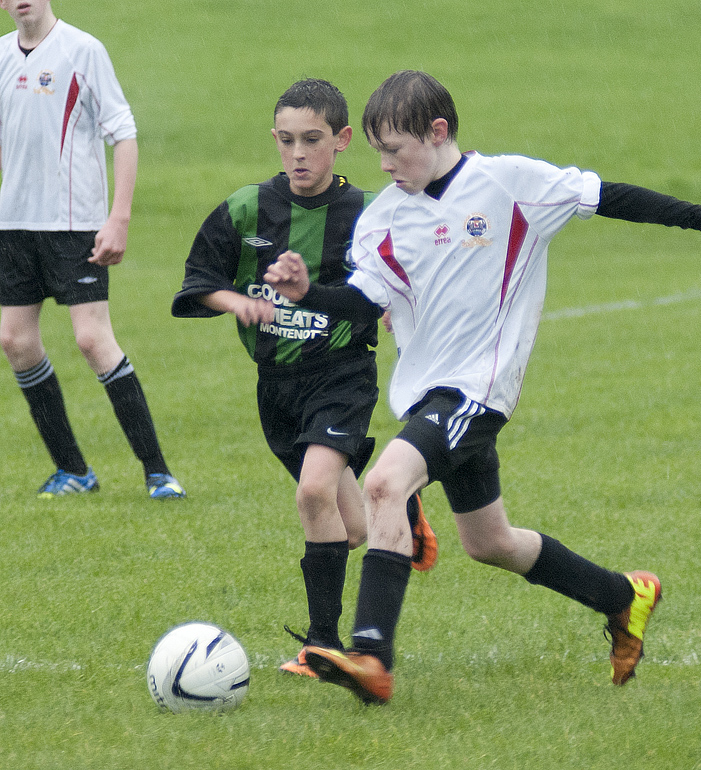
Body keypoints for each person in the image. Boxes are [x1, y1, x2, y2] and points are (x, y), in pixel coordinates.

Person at [264, 70, 701, 704]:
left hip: (479, 390)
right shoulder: (384, 218)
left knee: (385, 483)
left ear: (438, 132)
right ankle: (624, 596)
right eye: (378, 150)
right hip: (428, 395)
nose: (384, 164)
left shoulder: (511, 183)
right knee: (490, 543)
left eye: (396, 148)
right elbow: (363, 307)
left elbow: (610, 197)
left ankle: (371, 655)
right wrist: (311, 294)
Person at [171, 78, 437, 678]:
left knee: (314, 492)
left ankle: (321, 646)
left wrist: (396, 305)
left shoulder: (370, 212)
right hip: (277, 389)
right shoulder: (247, 209)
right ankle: (406, 509)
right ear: (274, 139)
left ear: (341, 141)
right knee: (349, 530)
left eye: (312, 140)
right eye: (287, 140)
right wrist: (235, 303)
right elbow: (197, 281)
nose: (298, 154)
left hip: (341, 376)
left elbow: (408, 271)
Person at [0, 0, 185, 499]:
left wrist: (118, 217)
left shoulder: (82, 50)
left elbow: (122, 133)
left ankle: (158, 473)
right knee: (15, 341)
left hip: (73, 226)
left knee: (91, 339)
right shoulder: (0, 57)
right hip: (14, 227)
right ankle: (74, 471)